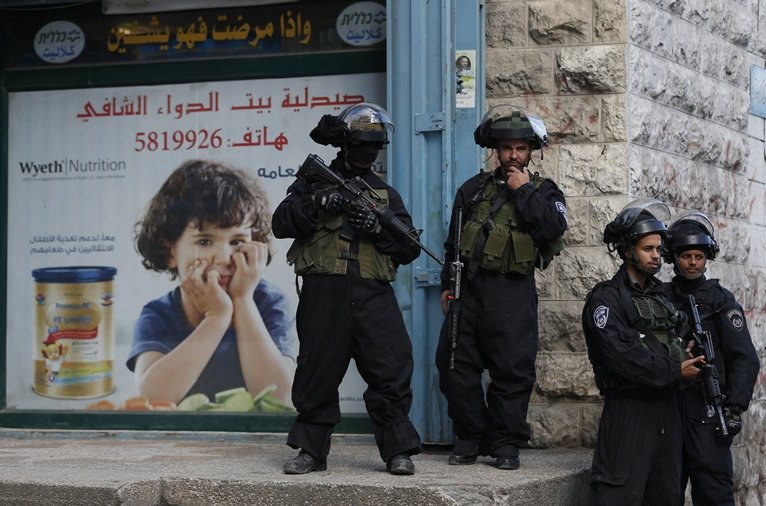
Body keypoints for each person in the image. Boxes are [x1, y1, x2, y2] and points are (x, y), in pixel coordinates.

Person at [272, 103, 423, 475]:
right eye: (361, 145)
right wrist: (315, 203)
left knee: (391, 368)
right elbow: (280, 222)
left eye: (374, 147)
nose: (368, 153)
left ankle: (397, 451)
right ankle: (311, 451)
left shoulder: (385, 195)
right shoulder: (314, 181)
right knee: (316, 371)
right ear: (345, 144)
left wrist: (376, 227)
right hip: (324, 293)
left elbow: (410, 248)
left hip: (373, 295)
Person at [435, 106, 568, 470]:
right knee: (453, 366)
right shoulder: (473, 190)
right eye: (506, 148)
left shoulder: (545, 192)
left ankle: (506, 442)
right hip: (469, 292)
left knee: (511, 371)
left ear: (530, 151)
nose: (513, 155)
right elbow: (453, 243)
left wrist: (523, 192)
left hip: (512, 294)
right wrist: (449, 285)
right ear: (495, 149)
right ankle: (471, 436)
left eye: (520, 149)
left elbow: (552, 229)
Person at [128, 159, 298, 406]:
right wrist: (217, 316)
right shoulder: (159, 314)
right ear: (170, 251)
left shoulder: (268, 302)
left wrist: (242, 300)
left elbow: (279, 396)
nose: (224, 258)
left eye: (237, 241)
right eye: (205, 242)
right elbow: (151, 398)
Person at [582, 198, 705, 505]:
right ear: (627, 251)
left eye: (658, 250)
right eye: (647, 249)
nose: (656, 257)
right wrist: (675, 370)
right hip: (629, 412)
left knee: (666, 494)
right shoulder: (606, 300)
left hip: (667, 410)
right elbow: (622, 357)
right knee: (619, 493)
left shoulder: (663, 297)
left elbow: (682, 340)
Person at [661, 211, 760, 505]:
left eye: (699, 256)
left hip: (707, 413)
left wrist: (733, 408)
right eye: (686, 256)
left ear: (707, 257)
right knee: (663, 493)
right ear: (673, 257)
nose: (693, 262)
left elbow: (745, 359)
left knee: (714, 495)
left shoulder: (721, 300)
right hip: (668, 411)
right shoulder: (660, 297)